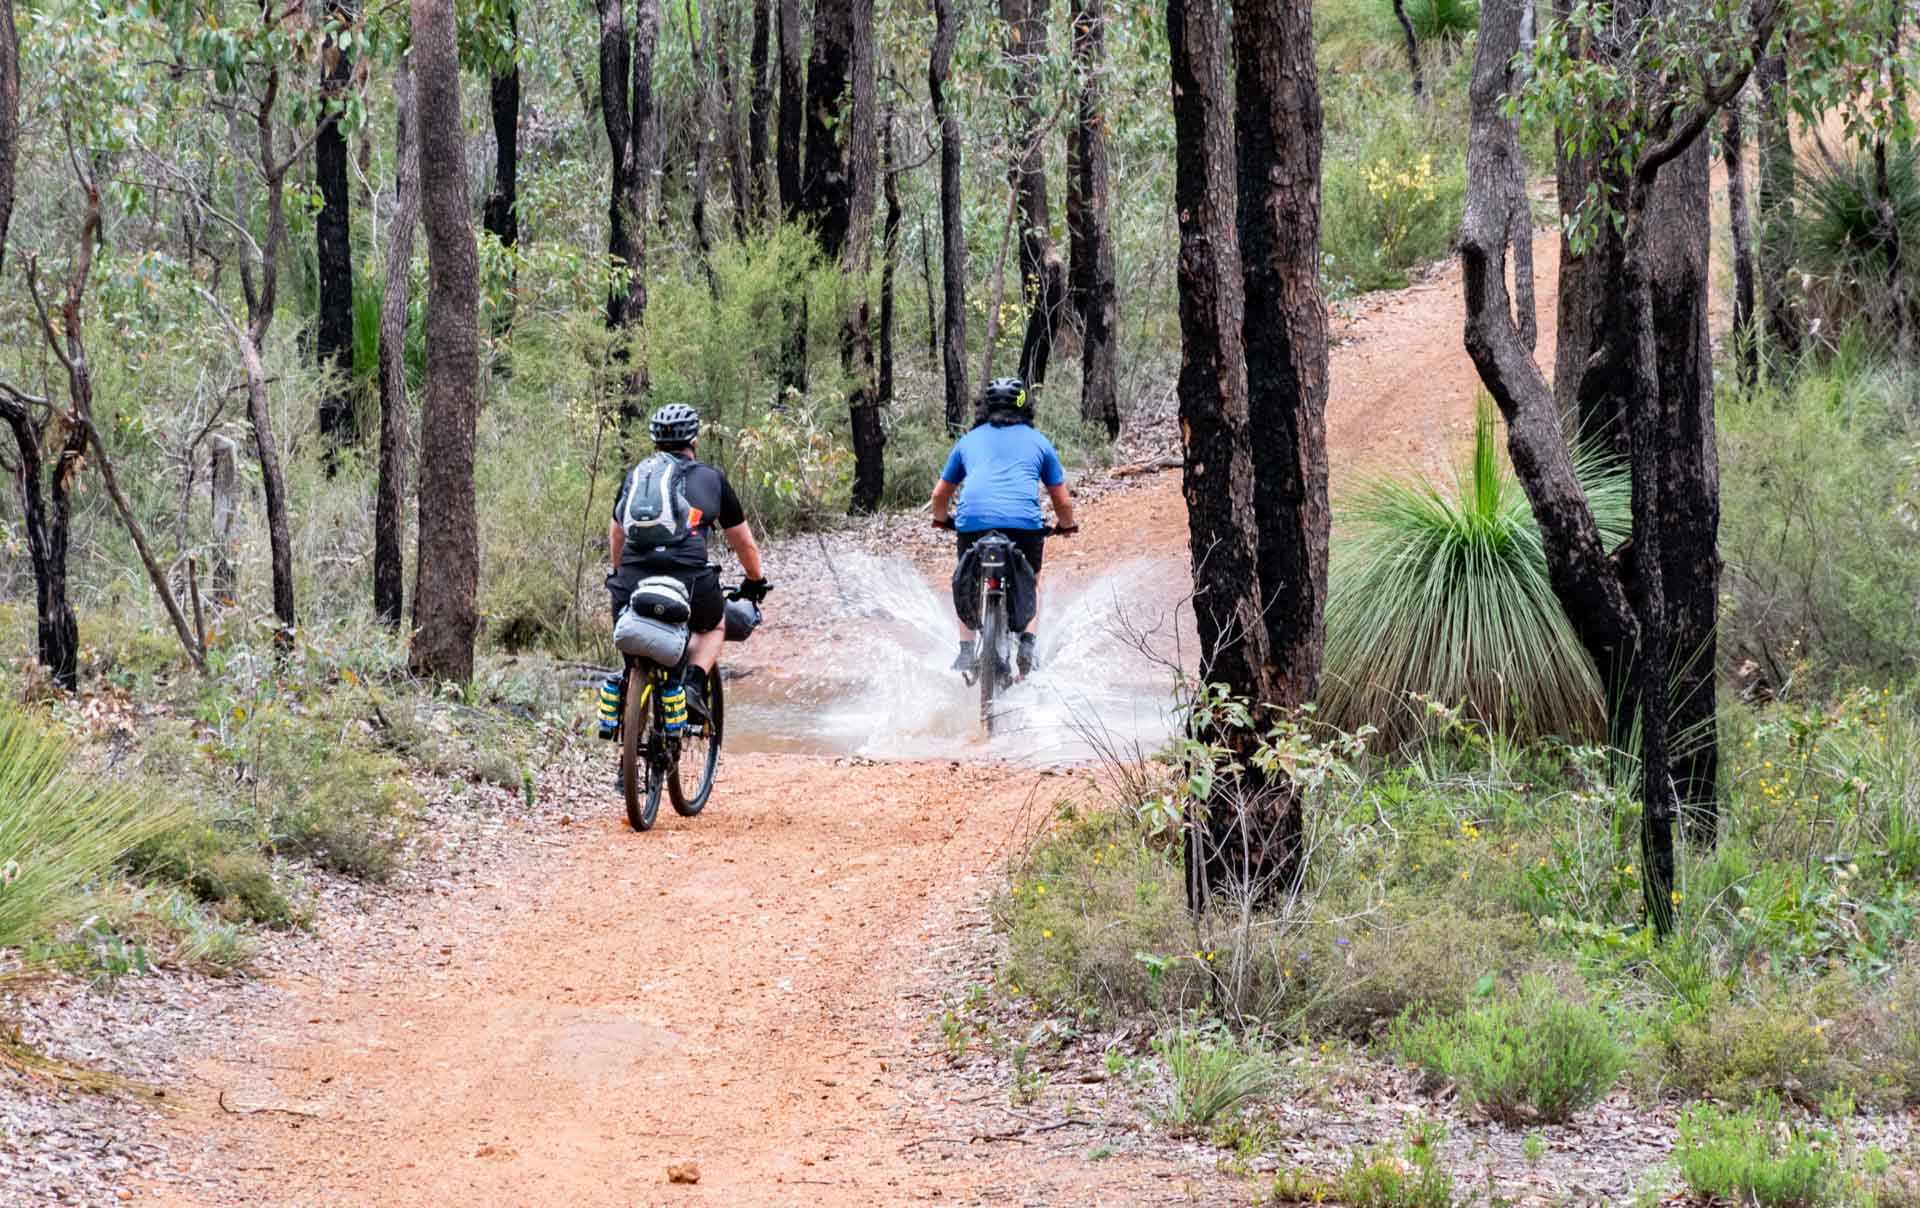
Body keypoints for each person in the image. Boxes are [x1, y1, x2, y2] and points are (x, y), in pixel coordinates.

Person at [600, 403, 769, 736]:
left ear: (654, 441)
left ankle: (626, 744)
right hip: (691, 580)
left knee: (633, 647)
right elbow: (744, 544)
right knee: (714, 626)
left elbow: (616, 534)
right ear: (694, 440)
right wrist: (755, 581)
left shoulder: (636, 477)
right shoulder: (711, 479)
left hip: (632, 581)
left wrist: (620, 575)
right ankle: (692, 684)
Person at [930, 377, 1077, 677]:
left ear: (984, 407)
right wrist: (1066, 526)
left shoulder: (968, 441)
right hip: (1023, 527)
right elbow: (1062, 502)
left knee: (965, 577)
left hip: (973, 524)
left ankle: (966, 650)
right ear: (1026, 406)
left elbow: (939, 495)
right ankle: (1027, 644)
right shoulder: (1039, 442)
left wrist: (942, 519)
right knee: (1033, 581)